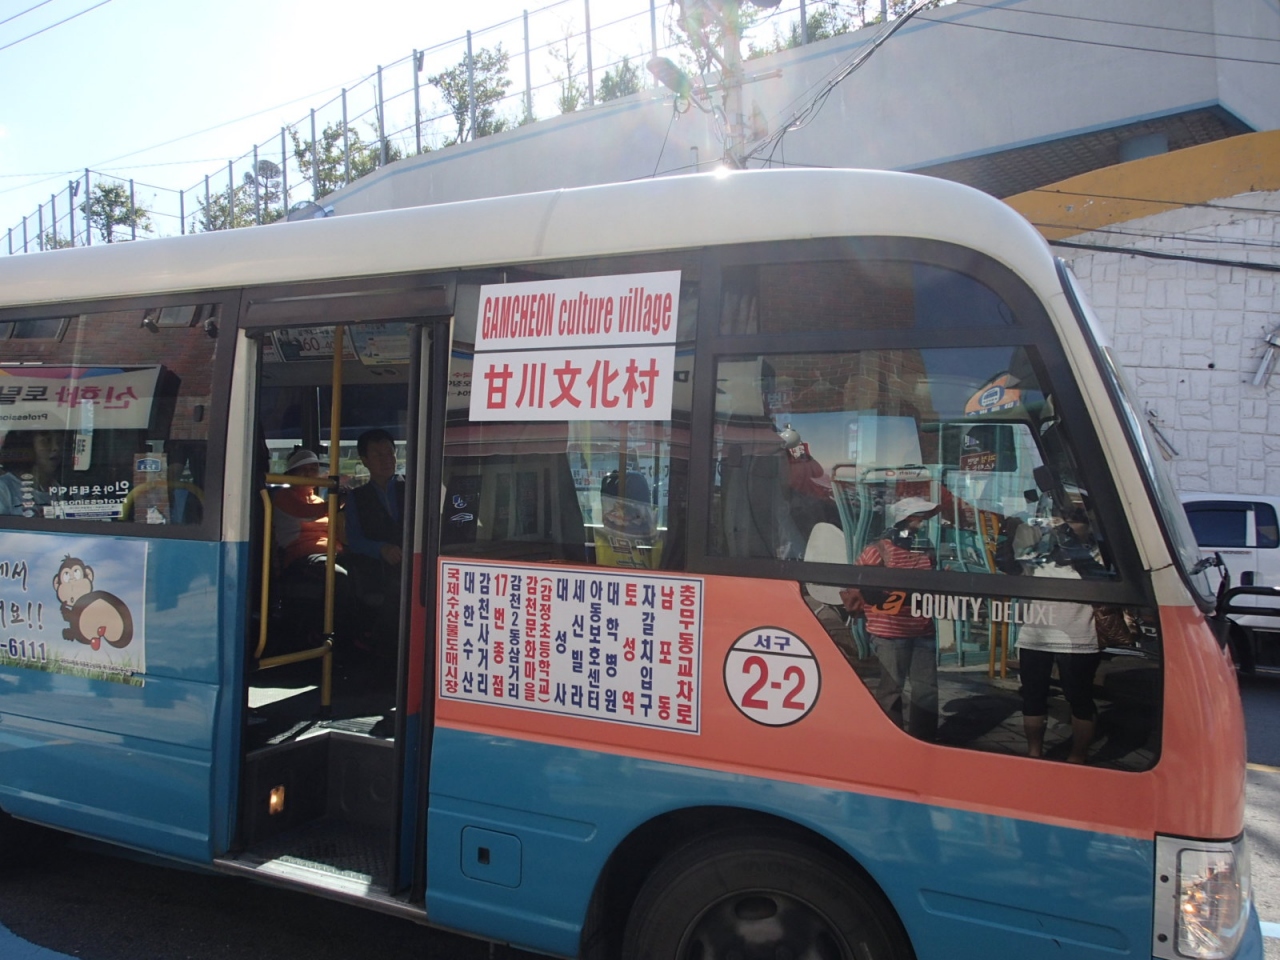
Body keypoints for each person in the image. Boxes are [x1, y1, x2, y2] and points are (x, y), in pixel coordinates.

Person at [841, 495, 940, 741]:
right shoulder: (877, 551)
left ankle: (924, 740)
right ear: (904, 521)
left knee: (926, 689)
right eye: (918, 518)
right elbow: (864, 587)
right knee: (891, 689)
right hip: (889, 631)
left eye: (924, 518)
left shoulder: (925, 549)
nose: (923, 524)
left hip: (922, 628)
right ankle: (891, 739)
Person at [1015, 517, 1107, 763]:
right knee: (1033, 696)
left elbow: (1099, 578)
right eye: (1061, 525)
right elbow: (1015, 569)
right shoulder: (1039, 553)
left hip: (1078, 635)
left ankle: (1078, 755)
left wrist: (1072, 546)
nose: (1064, 530)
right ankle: (1034, 752)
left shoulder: (1097, 555)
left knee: (1079, 697)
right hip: (1035, 634)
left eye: (1073, 524)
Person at [272, 447, 353, 644]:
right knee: (339, 577)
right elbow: (305, 512)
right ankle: (331, 634)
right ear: (292, 474)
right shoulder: (283, 496)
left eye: (313, 469)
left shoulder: (318, 500)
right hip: (300, 558)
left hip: (332, 552)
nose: (310, 474)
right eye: (304, 470)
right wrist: (337, 501)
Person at [342, 430, 405, 641]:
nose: (386, 460)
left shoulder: (414, 488)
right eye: (378, 455)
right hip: (377, 572)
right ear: (364, 460)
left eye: (390, 453)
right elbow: (354, 540)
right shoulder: (356, 497)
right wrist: (380, 549)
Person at [0, 430, 65, 517]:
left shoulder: (65, 491)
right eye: (46, 441)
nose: (56, 448)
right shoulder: (4, 489)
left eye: (60, 441)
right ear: (27, 446)